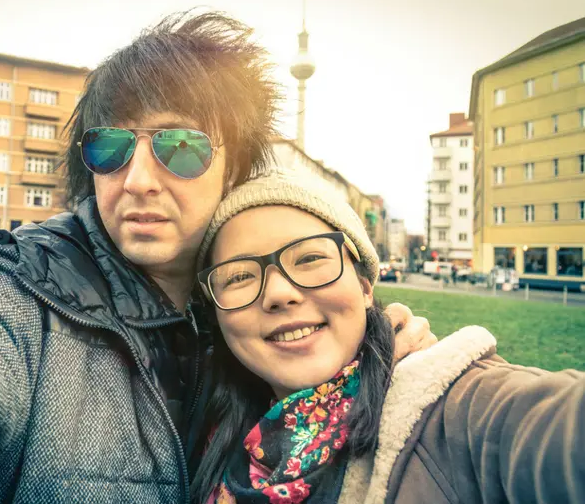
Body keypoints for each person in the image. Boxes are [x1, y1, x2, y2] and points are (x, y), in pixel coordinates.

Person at [0, 12, 434, 504]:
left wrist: (377, 350)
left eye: (180, 146)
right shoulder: (12, 294)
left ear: (237, 166)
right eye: (110, 147)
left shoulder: (246, 316)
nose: (138, 179)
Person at [190, 171, 585, 504]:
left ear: (364, 287)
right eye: (238, 276)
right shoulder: (204, 425)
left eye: (310, 258)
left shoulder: (451, 412)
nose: (279, 293)